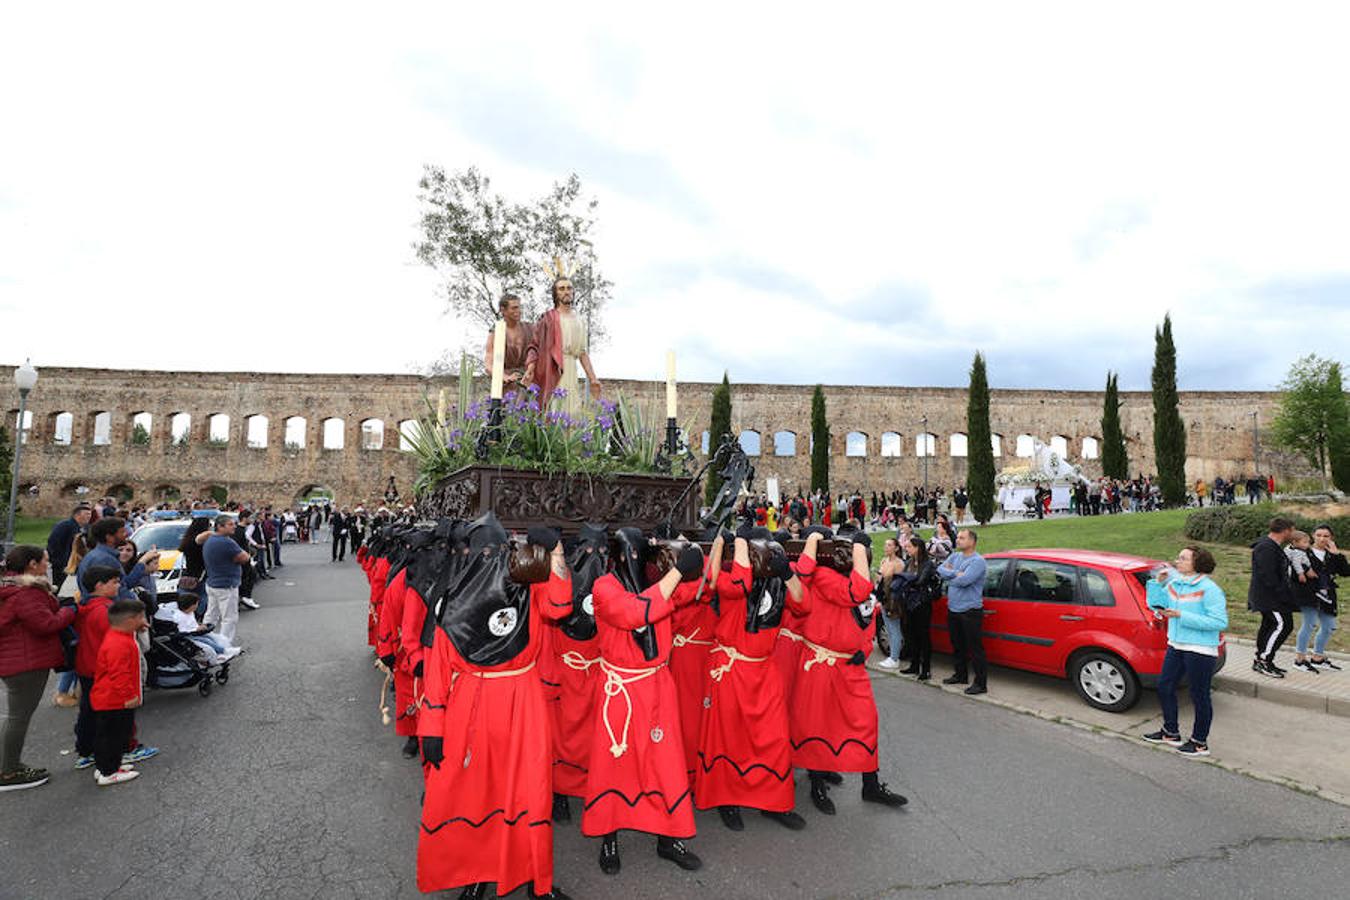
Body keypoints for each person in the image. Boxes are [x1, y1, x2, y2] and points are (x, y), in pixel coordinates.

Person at [416, 519, 574, 899]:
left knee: (530, 789)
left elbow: (560, 605)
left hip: (523, 700)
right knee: (478, 794)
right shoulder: (452, 601)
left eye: (497, 552)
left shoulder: (528, 586)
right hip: (474, 706)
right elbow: (437, 671)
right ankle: (476, 873)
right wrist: (432, 728)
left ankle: (539, 880)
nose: (491, 561)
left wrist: (556, 554)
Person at [583, 528, 705, 876]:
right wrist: (678, 571)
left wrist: (700, 551)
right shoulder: (605, 586)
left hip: (656, 686)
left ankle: (670, 838)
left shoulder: (655, 580)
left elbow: (695, 589)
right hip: (620, 689)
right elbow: (634, 613)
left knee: (665, 763)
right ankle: (609, 837)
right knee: (614, 766)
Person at [696, 528, 809, 832]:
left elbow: (803, 603)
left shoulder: (778, 581)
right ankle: (726, 799)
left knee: (773, 737)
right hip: (731, 669)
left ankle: (775, 802)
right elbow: (740, 583)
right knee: (729, 738)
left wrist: (786, 572)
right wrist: (739, 543)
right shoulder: (731, 578)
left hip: (763, 669)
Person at [789, 526, 908, 814]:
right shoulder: (823, 575)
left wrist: (865, 650)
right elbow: (856, 592)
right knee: (818, 725)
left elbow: (866, 617)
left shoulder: (854, 575)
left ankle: (871, 784)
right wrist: (858, 551)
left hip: (849, 665)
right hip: (821, 663)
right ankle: (817, 783)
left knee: (865, 722)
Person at [0, 545, 77, 791]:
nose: (48, 564)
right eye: (45, 560)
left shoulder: (11, 587)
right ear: (32, 564)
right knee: (18, 718)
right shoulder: (26, 592)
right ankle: (8, 772)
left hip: (16, 661)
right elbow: (45, 624)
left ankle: (9, 764)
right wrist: (70, 609)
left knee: (16, 717)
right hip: (25, 663)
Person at [1142, 547, 1228, 757]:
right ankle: (1170, 732)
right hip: (1176, 644)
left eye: (1183, 558)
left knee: (1199, 695)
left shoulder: (1210, 589)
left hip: (1199, 649)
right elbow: (1155, 605)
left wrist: (1181, 615)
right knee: (1164, 686)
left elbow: (1219, 622)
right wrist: (1157, 583)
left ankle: (1199, 742)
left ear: (1197, 563)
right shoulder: (1174, 583)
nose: (1177, 561)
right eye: (1178, 557)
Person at [89, 598, 148, 786]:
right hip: (114, 699)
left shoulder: (118, 635)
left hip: (109, 698)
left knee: (110, 735)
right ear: (130, 620)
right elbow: (119, 674)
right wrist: (128, 695)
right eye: (141, 617)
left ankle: (107, 766)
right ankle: (109, 771)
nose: (144, 620)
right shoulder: (119, 644)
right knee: (113, 736)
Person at [525, 272, 602, 413]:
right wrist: (530, 367)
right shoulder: (548, 319)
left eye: (569, 288)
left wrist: (593, 379)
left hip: (571, 370)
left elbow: (582, 352)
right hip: (553, 370)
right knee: (554, 411)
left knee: (572, 414)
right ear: (555, 294)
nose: (566, 291)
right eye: (561, 289)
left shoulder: (579, 320)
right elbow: (534, 345)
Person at [937, 529, 988, 695]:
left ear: (972, 541)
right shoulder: (954, 557)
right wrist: (954, 574)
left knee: (975, 648)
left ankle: (980, 683)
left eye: (962, 538)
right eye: (957, 537)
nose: (957, 540)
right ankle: (960, 675)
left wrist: (950, 578)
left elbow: (966, 580)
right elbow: (940, 570)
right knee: (957, 645)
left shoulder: (978, 561)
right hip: (953, 608)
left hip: (970, 611)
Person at [1249, 517, 1295, 677]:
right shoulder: (1266, 547)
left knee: (1269, 625)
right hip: (1270, 597)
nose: (1293, 533)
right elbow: (1268, 575)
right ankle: (1264, 660)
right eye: (1292, 530)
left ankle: (1261, 658)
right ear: (1286, 530)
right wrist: (1282, 592)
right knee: (1283, 625)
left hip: (1270, 596)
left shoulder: (1271, 546)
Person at [1300, 525, 1349, 671]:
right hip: (1308, 594)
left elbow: (1346, 572)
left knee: (1329, 626)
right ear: (1313, 536)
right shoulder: (1304, 552)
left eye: (1326, 536)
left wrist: (1336, 554)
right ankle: (1300, 659)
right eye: (1319, 535)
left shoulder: (1331, 555)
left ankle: (1317, 658)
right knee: (1309, 625)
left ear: (1331, 538)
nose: (1322, 538)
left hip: (1327, 596)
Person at [200, 516, 252, 647]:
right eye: (230, 524)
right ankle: (225, 644)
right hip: (226, 585)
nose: (234, 526)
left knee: (211, 615)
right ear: (220, 527)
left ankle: (205, 641)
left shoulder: (210, 539)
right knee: (229, 618)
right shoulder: (226, 542)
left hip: (213, 582)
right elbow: (245, 557)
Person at [154, 595, 242, 665]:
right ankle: (223, 651)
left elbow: (193, 623)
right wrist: (196, 629)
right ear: (191, 605)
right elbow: (183, 629)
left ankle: (222, 651)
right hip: (189, 636)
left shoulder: (190, 613)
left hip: (196, 633)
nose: (197, 606)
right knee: (206, 641)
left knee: (211, 638)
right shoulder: (179, 616)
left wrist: (199, 626)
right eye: (196, 604)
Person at [896, 535, 937, 680]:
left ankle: (925, 669)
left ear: (918, 548)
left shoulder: (927, 564)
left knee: (923, 636)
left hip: (922, 603)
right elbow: (903, 579)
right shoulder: (909, 562)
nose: (907, 549)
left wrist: (907, 580)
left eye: (909, 547)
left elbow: (920, 581)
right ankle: (914, 665)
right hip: (909, 602)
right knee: (911, 635)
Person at [483, 292, 536, 388]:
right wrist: (505, 377)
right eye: (514, 308)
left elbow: (539, 352)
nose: (518, 311)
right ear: (503, 310)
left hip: (529, 381)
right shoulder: (496, 332)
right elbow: (488, 364)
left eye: (519, 307)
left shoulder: (530, 329)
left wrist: (531, 369)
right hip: (507, 386)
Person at [46, 502, 92, 592]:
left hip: (74, 564)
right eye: (86, 514)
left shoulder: (84, 528)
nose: (89, 517)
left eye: (90, 514)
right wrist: (60, 562)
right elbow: (54, 544)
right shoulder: (65, 526)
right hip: (63, 564)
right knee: (60, 587)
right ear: (77, 515)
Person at [875, 538, 905, 670]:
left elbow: (896, 583)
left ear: (896, 548)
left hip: (893, 600)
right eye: (885, 544)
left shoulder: (899, 564)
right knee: (888, 628)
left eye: (889, 545)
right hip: (883, 597)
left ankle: (894, 657)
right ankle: (892, 655)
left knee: (894, 629)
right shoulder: (883, 560)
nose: (886, 547)